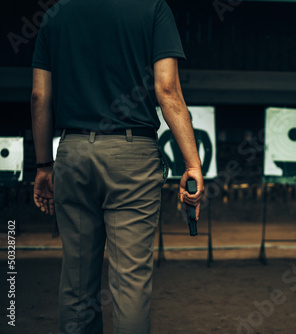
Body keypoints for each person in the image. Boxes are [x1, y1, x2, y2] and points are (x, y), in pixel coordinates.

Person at [30, 1, 204, 333]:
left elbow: (40, 96)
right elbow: (167, 89)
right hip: (132, 155)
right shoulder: (153, 8)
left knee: (77, 283)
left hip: (73, 151)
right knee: (130, 283)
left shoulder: (56, 13)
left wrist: (43, 166)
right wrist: (192, 164)